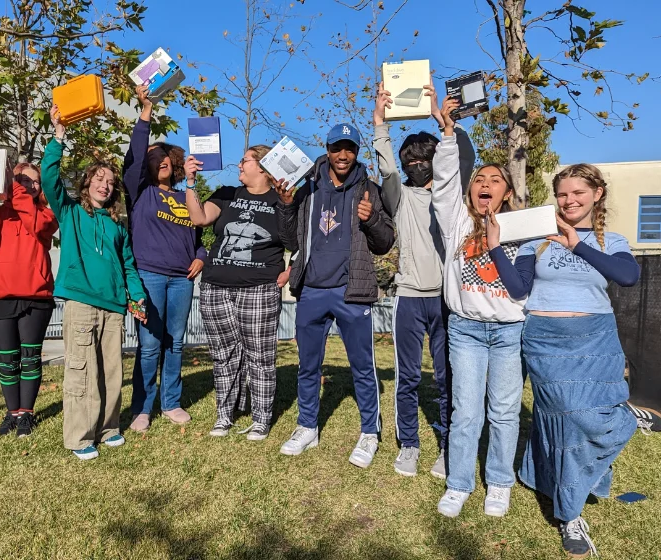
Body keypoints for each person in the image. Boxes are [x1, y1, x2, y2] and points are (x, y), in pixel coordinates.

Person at [487, 163, 640, 558]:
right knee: (569, 417)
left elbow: (626, 277)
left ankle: (570, 497)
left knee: (576, 419)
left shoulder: (614, 240)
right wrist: (493, 248)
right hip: (545, 341)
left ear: (597, 195)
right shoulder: (535, 240)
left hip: (596, 339)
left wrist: (578, 245)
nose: (569, 200)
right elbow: (519, 289)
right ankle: (570, 515)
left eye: (578, 193)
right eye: (562, 194)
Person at [372, 79, 476, 479]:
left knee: (448, 375)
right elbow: (386, 167)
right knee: (408, 375)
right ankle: (410, 445)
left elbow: (463, 160)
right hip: (409, 298)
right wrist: (380, 121)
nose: (417, 166)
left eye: (424, 159)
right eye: (409, 160)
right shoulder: (398, 196)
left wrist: (444, 121)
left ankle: (449, 445)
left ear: (436, 159)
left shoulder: (453, 193)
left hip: (448, 298)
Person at [275, 123, 396, 467]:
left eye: (350, 149)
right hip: (311, 289)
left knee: (362, 367)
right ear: (326, 148)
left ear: (357, 152)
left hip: (351, 290)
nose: (343, 156)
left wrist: (371, 219)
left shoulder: (369, 189)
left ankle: (370, 431)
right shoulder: (307, 186)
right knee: (308, 366)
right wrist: (285, 205)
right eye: (336, 148)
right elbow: (289, 240)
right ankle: (307, 426)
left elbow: (386, 242)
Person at [430, 97, 526, 519]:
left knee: (504, 411)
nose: (485, 182)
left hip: (508, 333)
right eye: (479, 178)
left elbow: (524, 287)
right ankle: (459, 484)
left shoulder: (522, 227)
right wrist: (448, 134)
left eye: (494, 179)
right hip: (465, 329)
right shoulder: (456, 222)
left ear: (506, 192)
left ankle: (500, 482)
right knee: (466, 410)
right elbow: (446, 183)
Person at [43, 105, 147, 461]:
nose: (105, 185)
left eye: (110, 181)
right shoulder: (71, 212)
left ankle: (109, 427)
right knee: (82, 370)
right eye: (99, 179)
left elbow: (128, 264)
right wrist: (58, 136)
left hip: (114, 307)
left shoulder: (119, 223)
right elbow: (48, 179)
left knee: (112, 371)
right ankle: (79, 436)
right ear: (87, 183)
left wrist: (136, 298)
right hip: (82, 303)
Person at [184, 145, 291, 441]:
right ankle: (224, 415)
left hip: (259, 288)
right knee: (224, 355)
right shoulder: (227, 193)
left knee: (259, 356)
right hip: (216, 286)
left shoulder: (280, 199)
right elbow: (200, 218)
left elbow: (298, 237)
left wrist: (290, 270)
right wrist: (191, 182)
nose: (239, 165)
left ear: (262, 166)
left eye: (244, 160)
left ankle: (260, 418)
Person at [122, 85, 207, 432]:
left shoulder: (184, 194)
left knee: (175, 342)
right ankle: (142, 407)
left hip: (182, 279)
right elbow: (136, 150)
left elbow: (200, 232)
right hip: (150, 276)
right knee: (149, 344)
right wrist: (147, 110)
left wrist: (201, 255)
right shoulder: (139, 192)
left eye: (167, 158)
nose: (162, 162)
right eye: (155, 158)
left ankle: (171, 402)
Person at [0, 162, 58, 437]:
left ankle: (27, 414)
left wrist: (13, 186)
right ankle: (12, 413)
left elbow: (35, 221)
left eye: (33, 181)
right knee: (7, 360)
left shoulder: (46, 213)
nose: (28, 185)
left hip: (35, 297)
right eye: (21, 180)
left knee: (30, 358)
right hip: (0, 296)